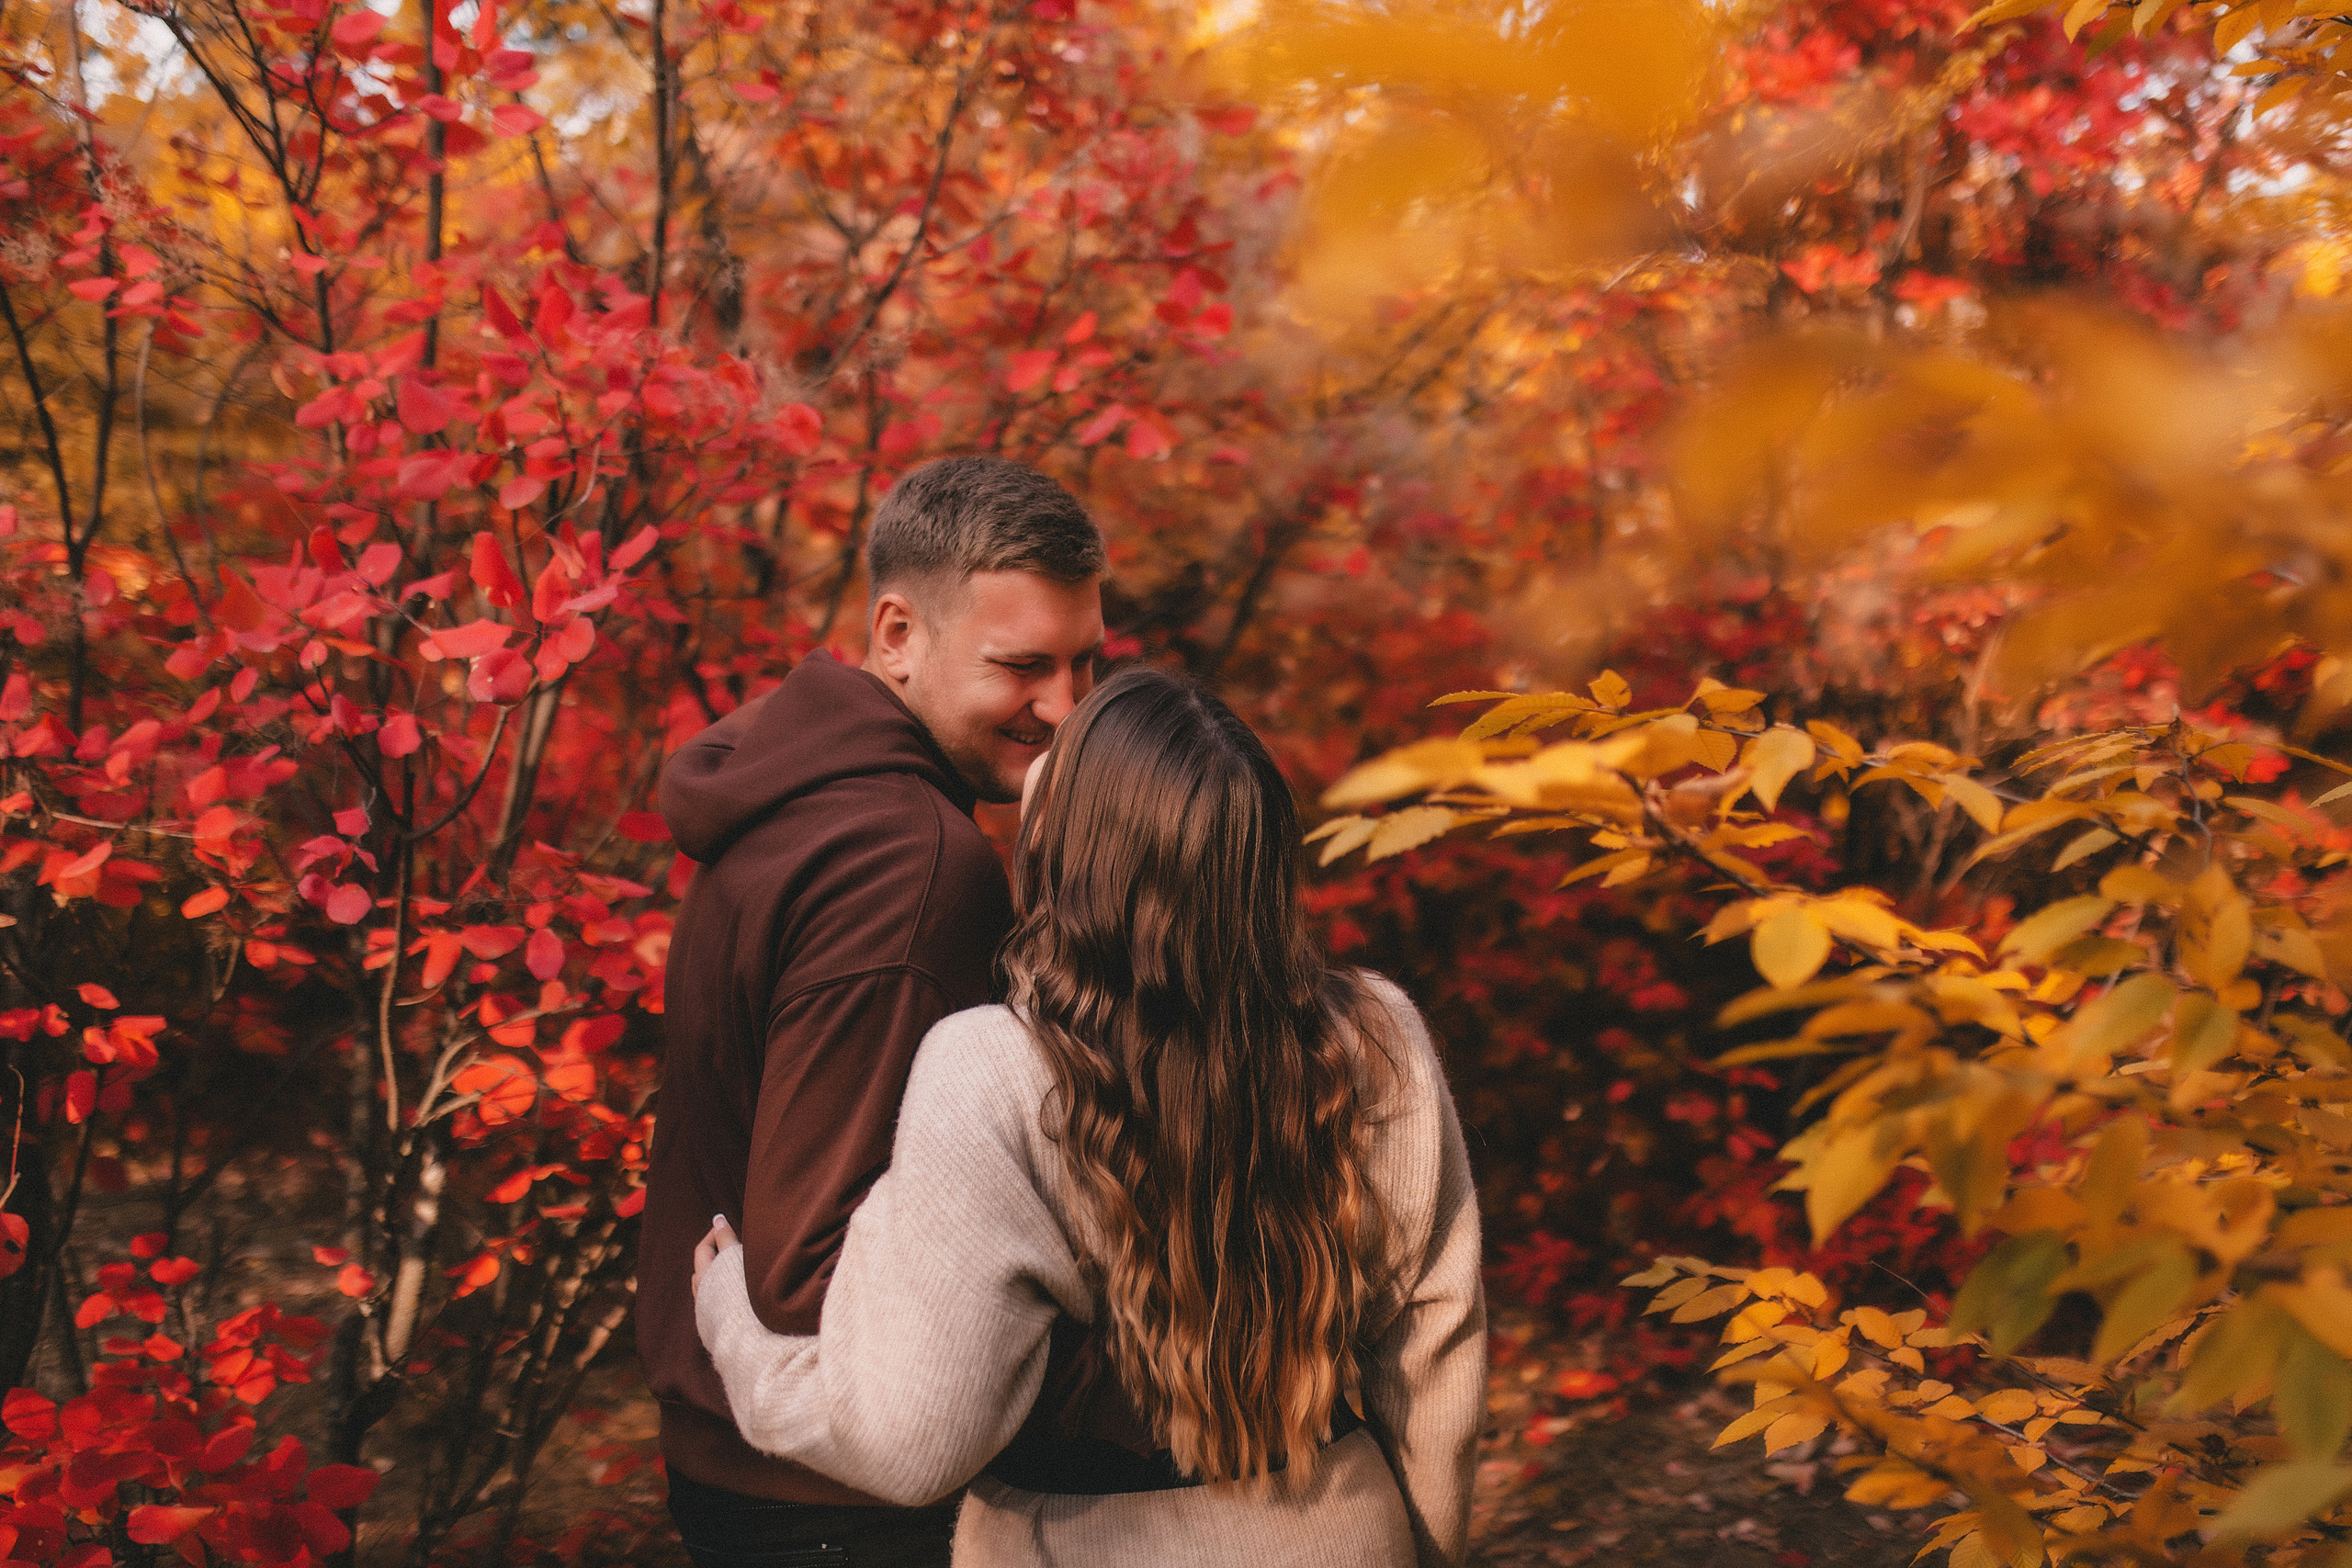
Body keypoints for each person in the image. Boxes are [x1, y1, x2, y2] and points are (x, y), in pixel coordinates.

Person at [690, 668, 1486, 1568]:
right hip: (1346, 1528)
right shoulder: (1374, 1034)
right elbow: (1432, 1353)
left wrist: (738, 1335)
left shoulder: (991, 1067)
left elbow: (913, 1446)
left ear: (1069, 851)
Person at [639, 457, 1107, 1568]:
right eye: (1022, 667)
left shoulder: (792, 791)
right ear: (897, 634)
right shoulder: (913, 865)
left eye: (1087, 663)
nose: (1068, 709)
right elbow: (814, 1277)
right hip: (840, 1495)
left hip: (752, 1465)